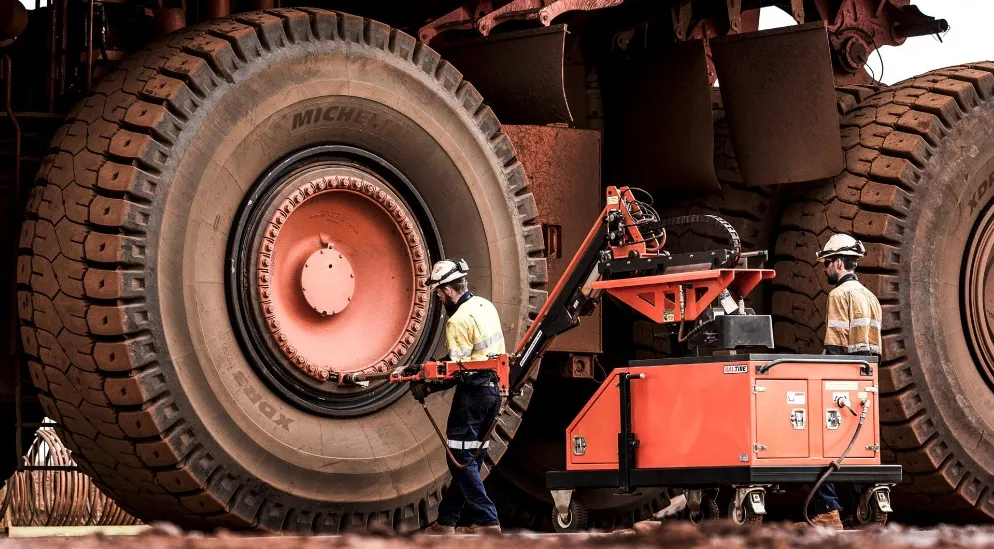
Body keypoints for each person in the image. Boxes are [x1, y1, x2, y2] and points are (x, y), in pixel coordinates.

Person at [412, 259, 504, 535]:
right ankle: (446, 521)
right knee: (469, 461)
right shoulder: (485, 306)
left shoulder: (457, 320)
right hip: (493, 394)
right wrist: (428, 368)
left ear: (449, 290)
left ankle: (487, 520)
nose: (439, 299)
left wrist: (427, 387)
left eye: (439, 293)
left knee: (460, 457)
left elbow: (457, 371)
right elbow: (471, 357)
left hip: (472, 397)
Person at [806, 233, 883, 529]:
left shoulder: (839, 295)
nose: (825, 268)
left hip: (841, 378)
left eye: (827, 263)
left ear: (839, 262)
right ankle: (853, 510)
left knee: (817, 442)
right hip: (866, 380)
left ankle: (827, 511)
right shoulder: (870, 297)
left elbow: (836, 348)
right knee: (853, 446)